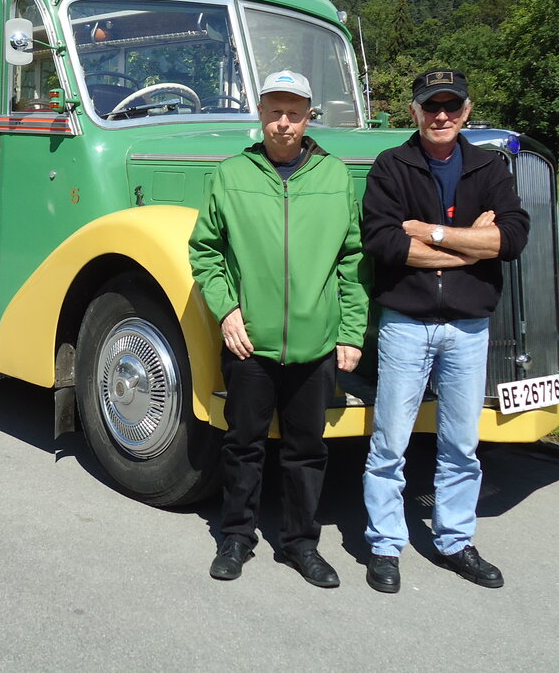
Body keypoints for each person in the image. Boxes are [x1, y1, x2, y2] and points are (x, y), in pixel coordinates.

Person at [190, 70, 368, 586]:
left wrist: (351, 333)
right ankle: (237, 537)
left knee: (306, 449)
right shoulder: (230, 174)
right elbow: (206, 250)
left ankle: (299, 544)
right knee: (242, 443)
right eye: (274, 111)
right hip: (250, 341)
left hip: (315, 345)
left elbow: (352, 260)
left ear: (309, 116)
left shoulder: (335, 176)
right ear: (260, 114)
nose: (283, 123)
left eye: (293, 112)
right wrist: (226, 311)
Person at [360, 69, 530, 593]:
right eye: (430, 107)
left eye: (451, 107)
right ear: (414, 111)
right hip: (406, 324)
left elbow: (513, 237)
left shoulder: (490, 166)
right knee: (389, 442)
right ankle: (384, 545)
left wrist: (432, 233)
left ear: (466, 110)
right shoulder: (392, 166)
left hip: (468, 327)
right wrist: (472, 243)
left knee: (461, 444)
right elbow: (386, 244)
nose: (440, 116)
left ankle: (455, 541)